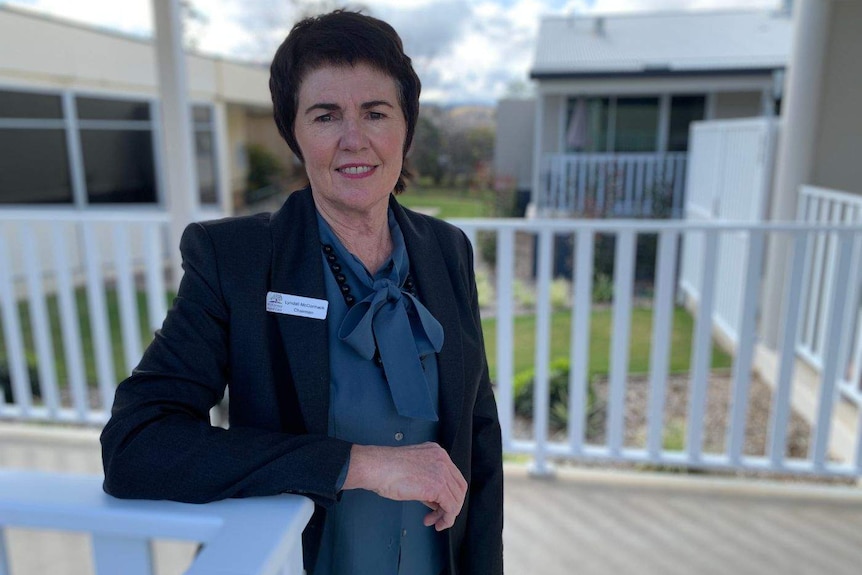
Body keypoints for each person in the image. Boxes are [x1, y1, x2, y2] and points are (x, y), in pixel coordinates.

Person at [100, 10, 503, 575]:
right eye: (325, 115)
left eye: (375, 112)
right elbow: (136, 447)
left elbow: (478, 433)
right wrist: (355, 464)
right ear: (294, 133)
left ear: (405, 126)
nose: (353, 139)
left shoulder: (447, 250)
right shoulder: (237, 262)